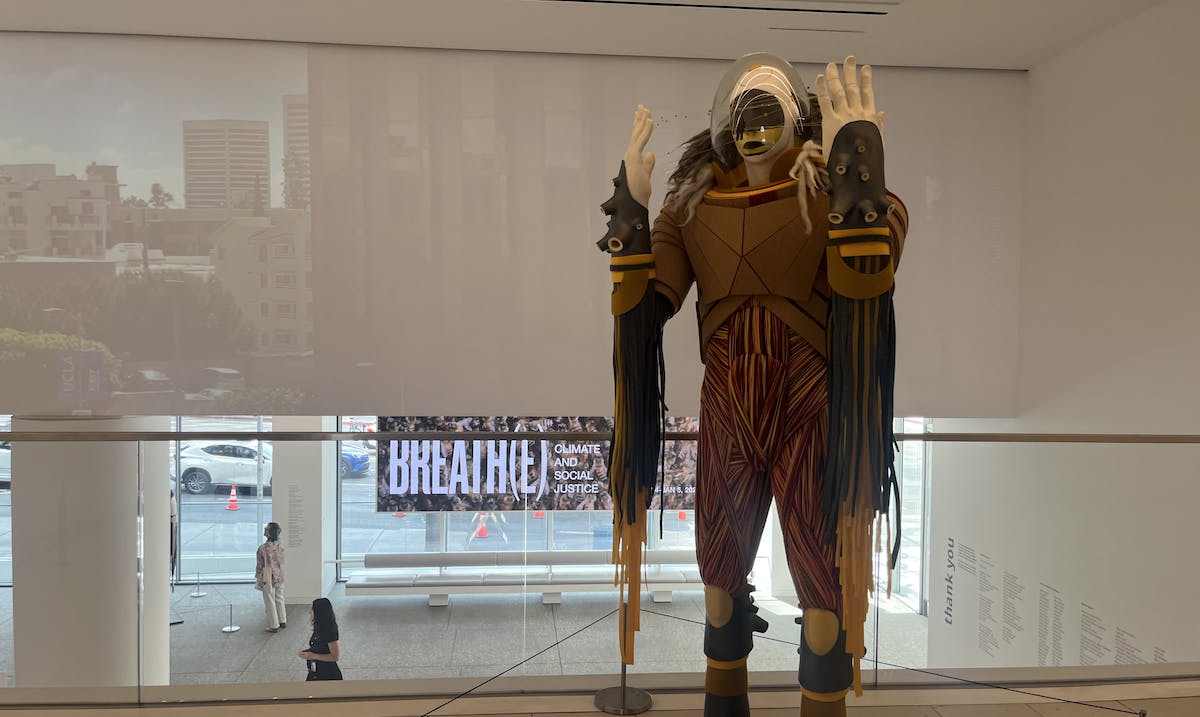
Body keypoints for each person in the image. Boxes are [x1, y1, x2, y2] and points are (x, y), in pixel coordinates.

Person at [599, 55, 907, 717]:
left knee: (823, 594)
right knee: (718, 583)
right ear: (726, 126)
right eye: (744, 114)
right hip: (730, 408)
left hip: (811, 409)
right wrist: (633, 210)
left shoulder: (827, 196)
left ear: (796, 121)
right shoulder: (691, 210)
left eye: (768, 112)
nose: (755, 127)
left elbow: (874, 264)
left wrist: (855, 161)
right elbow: (645, 307)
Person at [299, 597, 342, 680]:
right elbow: (321, 646)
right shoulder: (319, 626)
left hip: (328, 674)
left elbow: (335, 656)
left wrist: (313, 655)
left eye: (312, 610)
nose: (309, 612)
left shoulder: (329, 631)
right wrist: (308, 652)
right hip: (316, 670)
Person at [255, 522, 287, 632]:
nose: (264, 529)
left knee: (269, 600)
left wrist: (258, 577)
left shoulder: (263, 548)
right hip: (280, 574)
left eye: (266, 528)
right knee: (279, 597)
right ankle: (283, 620)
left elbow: (260, 565)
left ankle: (274, 625)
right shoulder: (280, 546)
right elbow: (281, 561)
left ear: (269, 533)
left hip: (268, 576)